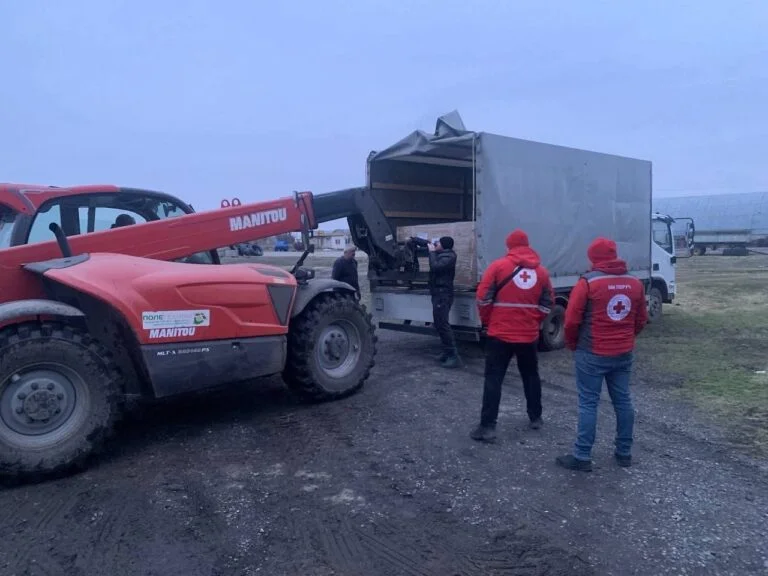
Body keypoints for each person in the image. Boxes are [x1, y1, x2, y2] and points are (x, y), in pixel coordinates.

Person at [556, 237, 648, 471]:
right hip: (623, 352)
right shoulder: (635, 283)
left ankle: (582, 456)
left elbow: (571, 321)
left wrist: (573, 344)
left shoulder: (588, 283)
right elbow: (641, 319)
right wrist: (628, 337)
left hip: (592, 352)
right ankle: (624, 452)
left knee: (588, 403)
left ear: (593, 257)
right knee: (623, 400)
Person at [470, 229, 553, 442]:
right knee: (531, 376)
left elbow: (483, 298)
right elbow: (547, 303)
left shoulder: (498, 267)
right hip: (528, 335)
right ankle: (536, 417)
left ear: (509, 246)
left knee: (494, 379)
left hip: (500, 334)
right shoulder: (542, 272)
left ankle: (487, 427)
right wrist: (534, 321)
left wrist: (489, 321)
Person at [428, 236, 461, 368]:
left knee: (443, 324)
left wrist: (431, 252)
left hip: (443, 294)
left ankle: (453, 356)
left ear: (445, 245)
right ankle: (446, 352)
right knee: (438, 323)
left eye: (439, 242)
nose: (436, 244)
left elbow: (435, 267)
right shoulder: (442, 254)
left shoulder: (449, 257)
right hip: (438, 293)